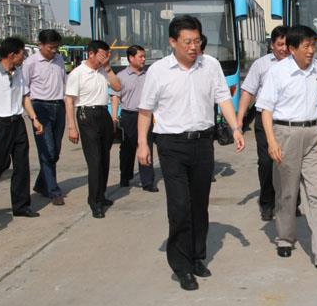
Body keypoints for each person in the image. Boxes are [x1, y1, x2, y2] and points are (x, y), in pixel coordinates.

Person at [136, 15, 244, 291]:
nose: (193, 47)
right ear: (173, 42)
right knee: (180, 206)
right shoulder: (158, 71)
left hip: (203, 143)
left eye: (196, 41)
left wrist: (235, 128)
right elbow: (145, 111)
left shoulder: (211, 65)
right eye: (187, 42)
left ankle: (197, 257)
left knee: (199, 204)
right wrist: (142, 144)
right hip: (171, 145)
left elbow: (223, 98)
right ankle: (181, 266)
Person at [257, 25, 317, 269]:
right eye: (306, 46)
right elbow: (266, 109)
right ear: (292, 48)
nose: (311, 50)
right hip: (285, 134)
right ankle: (285, 238)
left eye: (313, 45)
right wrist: (272, 141)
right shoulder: (278, 72)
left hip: (313, 134)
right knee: (287, 192)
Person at [0, 37, 43, 218]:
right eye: (22, 54)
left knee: (22, 165)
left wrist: (34, 119)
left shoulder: (19, 72)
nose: (24, 57)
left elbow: (25, 97)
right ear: (12, 55)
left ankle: (21, 206)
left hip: (17, 123)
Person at [236, 26, 291, 221]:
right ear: (272, 45)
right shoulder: (261, 65)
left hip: (289, 120)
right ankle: (267, 203)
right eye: (280, 44)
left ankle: (291, 202)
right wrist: (239, 119)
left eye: (287, 44)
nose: (284, 48)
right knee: (267, 162)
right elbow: (248, 91)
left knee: (289, 163)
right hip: (264, 119)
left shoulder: (297, 63)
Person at [64, 40, 121, 218]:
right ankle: (94, 202)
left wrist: (108, 68)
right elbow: (69, 101)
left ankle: (101, 195)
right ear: (91, 54)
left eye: (107, 55)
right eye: (103, 55)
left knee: (104, 159)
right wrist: (72, 127)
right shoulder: (77, 73)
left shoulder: (104, 71)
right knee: (95, 161)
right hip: (86, 115)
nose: (105, 58)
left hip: (103, 114)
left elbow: (118, 87)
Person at [22, 29, 67, 206]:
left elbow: (64, 82)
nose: (54, 51)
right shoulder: (30, 63)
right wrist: (32, 116)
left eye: (56, 47)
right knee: (47, 150)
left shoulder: (59, 60)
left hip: (59, 106)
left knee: (55, 151)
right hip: (40, 107)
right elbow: (24, 90)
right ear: (40, 45)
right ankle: (53, 190)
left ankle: (42, 183)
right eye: (50, 47)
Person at [110, 45, 157, 192]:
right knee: (127, 148)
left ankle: (147, 181)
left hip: (145, 115)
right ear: (131, 58)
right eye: (140, 56)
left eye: (144, 56)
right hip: (128, 116)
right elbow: (115, 97)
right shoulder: (121, 76)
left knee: (146, 146)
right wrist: (114, 117)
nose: (143, 59)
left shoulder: (148, 76)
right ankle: (125, 177)